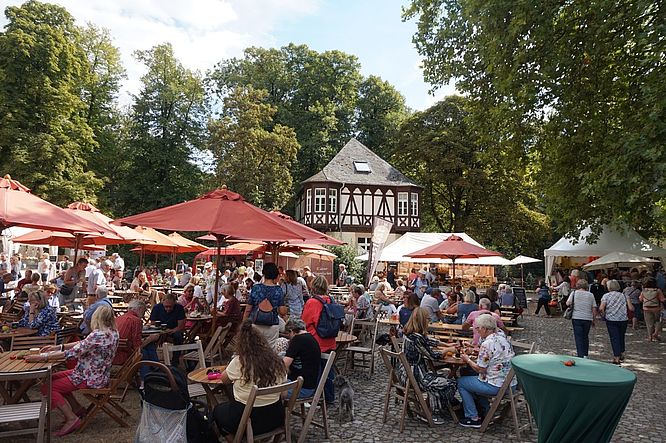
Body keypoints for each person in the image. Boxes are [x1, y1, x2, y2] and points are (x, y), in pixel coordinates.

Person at [27, 305, 118, 436]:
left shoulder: (98, 335)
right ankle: (76, 408)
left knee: (48, 388)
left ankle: (71, 418)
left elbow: (70, 354)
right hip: (96, 374)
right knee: (51, 379)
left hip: (89, 377)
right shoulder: (112, 332)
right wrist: (59, 346)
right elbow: (82, 344)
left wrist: (43, 357)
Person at [213, 320, 288, 440]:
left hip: (248, 419)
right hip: (276, 417)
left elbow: (224, 379)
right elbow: (284, 394)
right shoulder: (276, 361)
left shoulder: (240, 362)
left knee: (218, 412)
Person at [400, 307, 457, 425]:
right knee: (451, 382)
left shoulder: (409, 333)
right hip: (415, 377)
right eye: (427, 319)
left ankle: (433, 407)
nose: (429, 322)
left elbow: (428, 341)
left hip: (404, 374)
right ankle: (433, 413)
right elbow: (434, 356)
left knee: (442, 375)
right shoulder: (417, 338)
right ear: (422, 321)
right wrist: (448, 349)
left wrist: (445, 344)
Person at [457, 314, 516, 428]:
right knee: (471, 376)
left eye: (478, 328)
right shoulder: (503, 339)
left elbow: (481, 369)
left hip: (496, 386)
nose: (477, 330)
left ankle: (472, 417)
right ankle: (485, 410)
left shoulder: (487, 343)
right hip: (510, 384)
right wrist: (475, 350)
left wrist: (467, 360)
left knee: (462, 382)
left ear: (485, 328)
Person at [301, 275, 337, 403]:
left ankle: (313, 397)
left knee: (315, 372)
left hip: (315, 343)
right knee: (328, 372)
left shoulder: (312, 302)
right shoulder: (331, 300)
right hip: (331, 341)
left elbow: (304, 322)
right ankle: (329, 397)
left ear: (314, 286)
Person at [113, 300, 160, 372]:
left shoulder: (118, 318)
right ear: (140, 309)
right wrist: (150, 339)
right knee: (144, 353)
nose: (143, 315)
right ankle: (147, 376)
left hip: (114, 352)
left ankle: (155, 369)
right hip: (125, 355)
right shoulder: (136, 320)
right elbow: (137, 347)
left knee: (149, 347)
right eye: (144, 312)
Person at [248, 263, 286, 349]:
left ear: (263, 274)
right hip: (272, 325)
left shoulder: (256, 288)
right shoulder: (278, 290)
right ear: (276, 275)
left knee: (254, 349)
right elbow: (282, 311)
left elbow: (248, 308)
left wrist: (244, 322)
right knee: (270, 351)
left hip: (255, 323)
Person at [283, 318, 321, 398]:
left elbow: (284, 365)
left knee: (270, 392)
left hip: (301, 387)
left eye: (288, 334)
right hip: (310, 385)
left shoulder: (297, 340)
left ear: (291, 331)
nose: (289, 337)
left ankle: (279, 410)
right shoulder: (311, 338)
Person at [599, 280, 633, 364]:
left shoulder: (606, 296)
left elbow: (601, 308)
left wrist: (604, 313)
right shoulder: (625, 296)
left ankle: (616, 357)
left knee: (614, 337)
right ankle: (621, 352)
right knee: (621, 336)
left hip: (611, 319)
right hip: (623, 319)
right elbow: (631, 308)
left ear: (609, 287)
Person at [567, 280, 598, 358]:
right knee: (585, 336)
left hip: (576, 317)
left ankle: (580, 355)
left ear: (577, 285)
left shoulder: (574, 293)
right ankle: (585, 354)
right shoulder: (591, 295)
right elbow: (594, 308)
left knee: (578, 337)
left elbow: (568, 303)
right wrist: (594, 319)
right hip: (587, 318)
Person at [640, 277, 665, 342]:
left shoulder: (644, 290)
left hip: (646, 308)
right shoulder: (658, 290)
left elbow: (640, 299)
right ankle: (656, 333)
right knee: (658, 321)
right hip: (656, 308)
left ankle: (650, 337)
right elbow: (662, 299)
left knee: (649, 323)